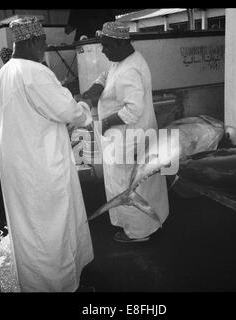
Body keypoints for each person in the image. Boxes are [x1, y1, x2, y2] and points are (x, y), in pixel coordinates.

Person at [0, 17, 94, 292]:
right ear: (34, 41)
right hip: (39, 163)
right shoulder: (34, 72)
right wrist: (85, 107)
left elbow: (2, 115)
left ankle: (37, 284)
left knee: (28, 225)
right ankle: (61, 285)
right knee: (52, 224)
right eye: (44, 43)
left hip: (16, 161)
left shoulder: (6, 71)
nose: (45, 48)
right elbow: (68, 111)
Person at [80, 22, 169, 243]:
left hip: (128, 140)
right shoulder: (124, 60)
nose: (103, 51)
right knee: (143, 186)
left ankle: (138, 233)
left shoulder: (129, 69)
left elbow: (133, 109)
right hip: (130, 138)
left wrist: (107, 122)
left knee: (127, 187)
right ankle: (151, 223)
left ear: (121, 43)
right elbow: (105, 75)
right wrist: (93, 92)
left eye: (107, 46)